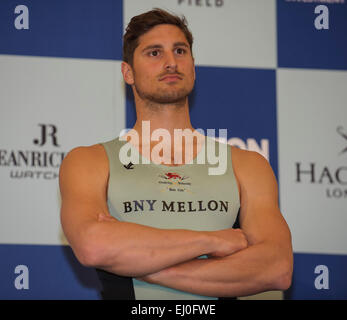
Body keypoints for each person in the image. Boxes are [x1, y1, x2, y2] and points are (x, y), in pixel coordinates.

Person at [59, 8, 293, 300]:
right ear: (127, 72)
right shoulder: (90, 161)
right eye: (154, 53)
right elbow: (94, 246)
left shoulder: (246, 164)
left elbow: (276, 267)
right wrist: (213, 240)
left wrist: (139, 265)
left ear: (193, 66)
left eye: (180, 51)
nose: (171, 62)